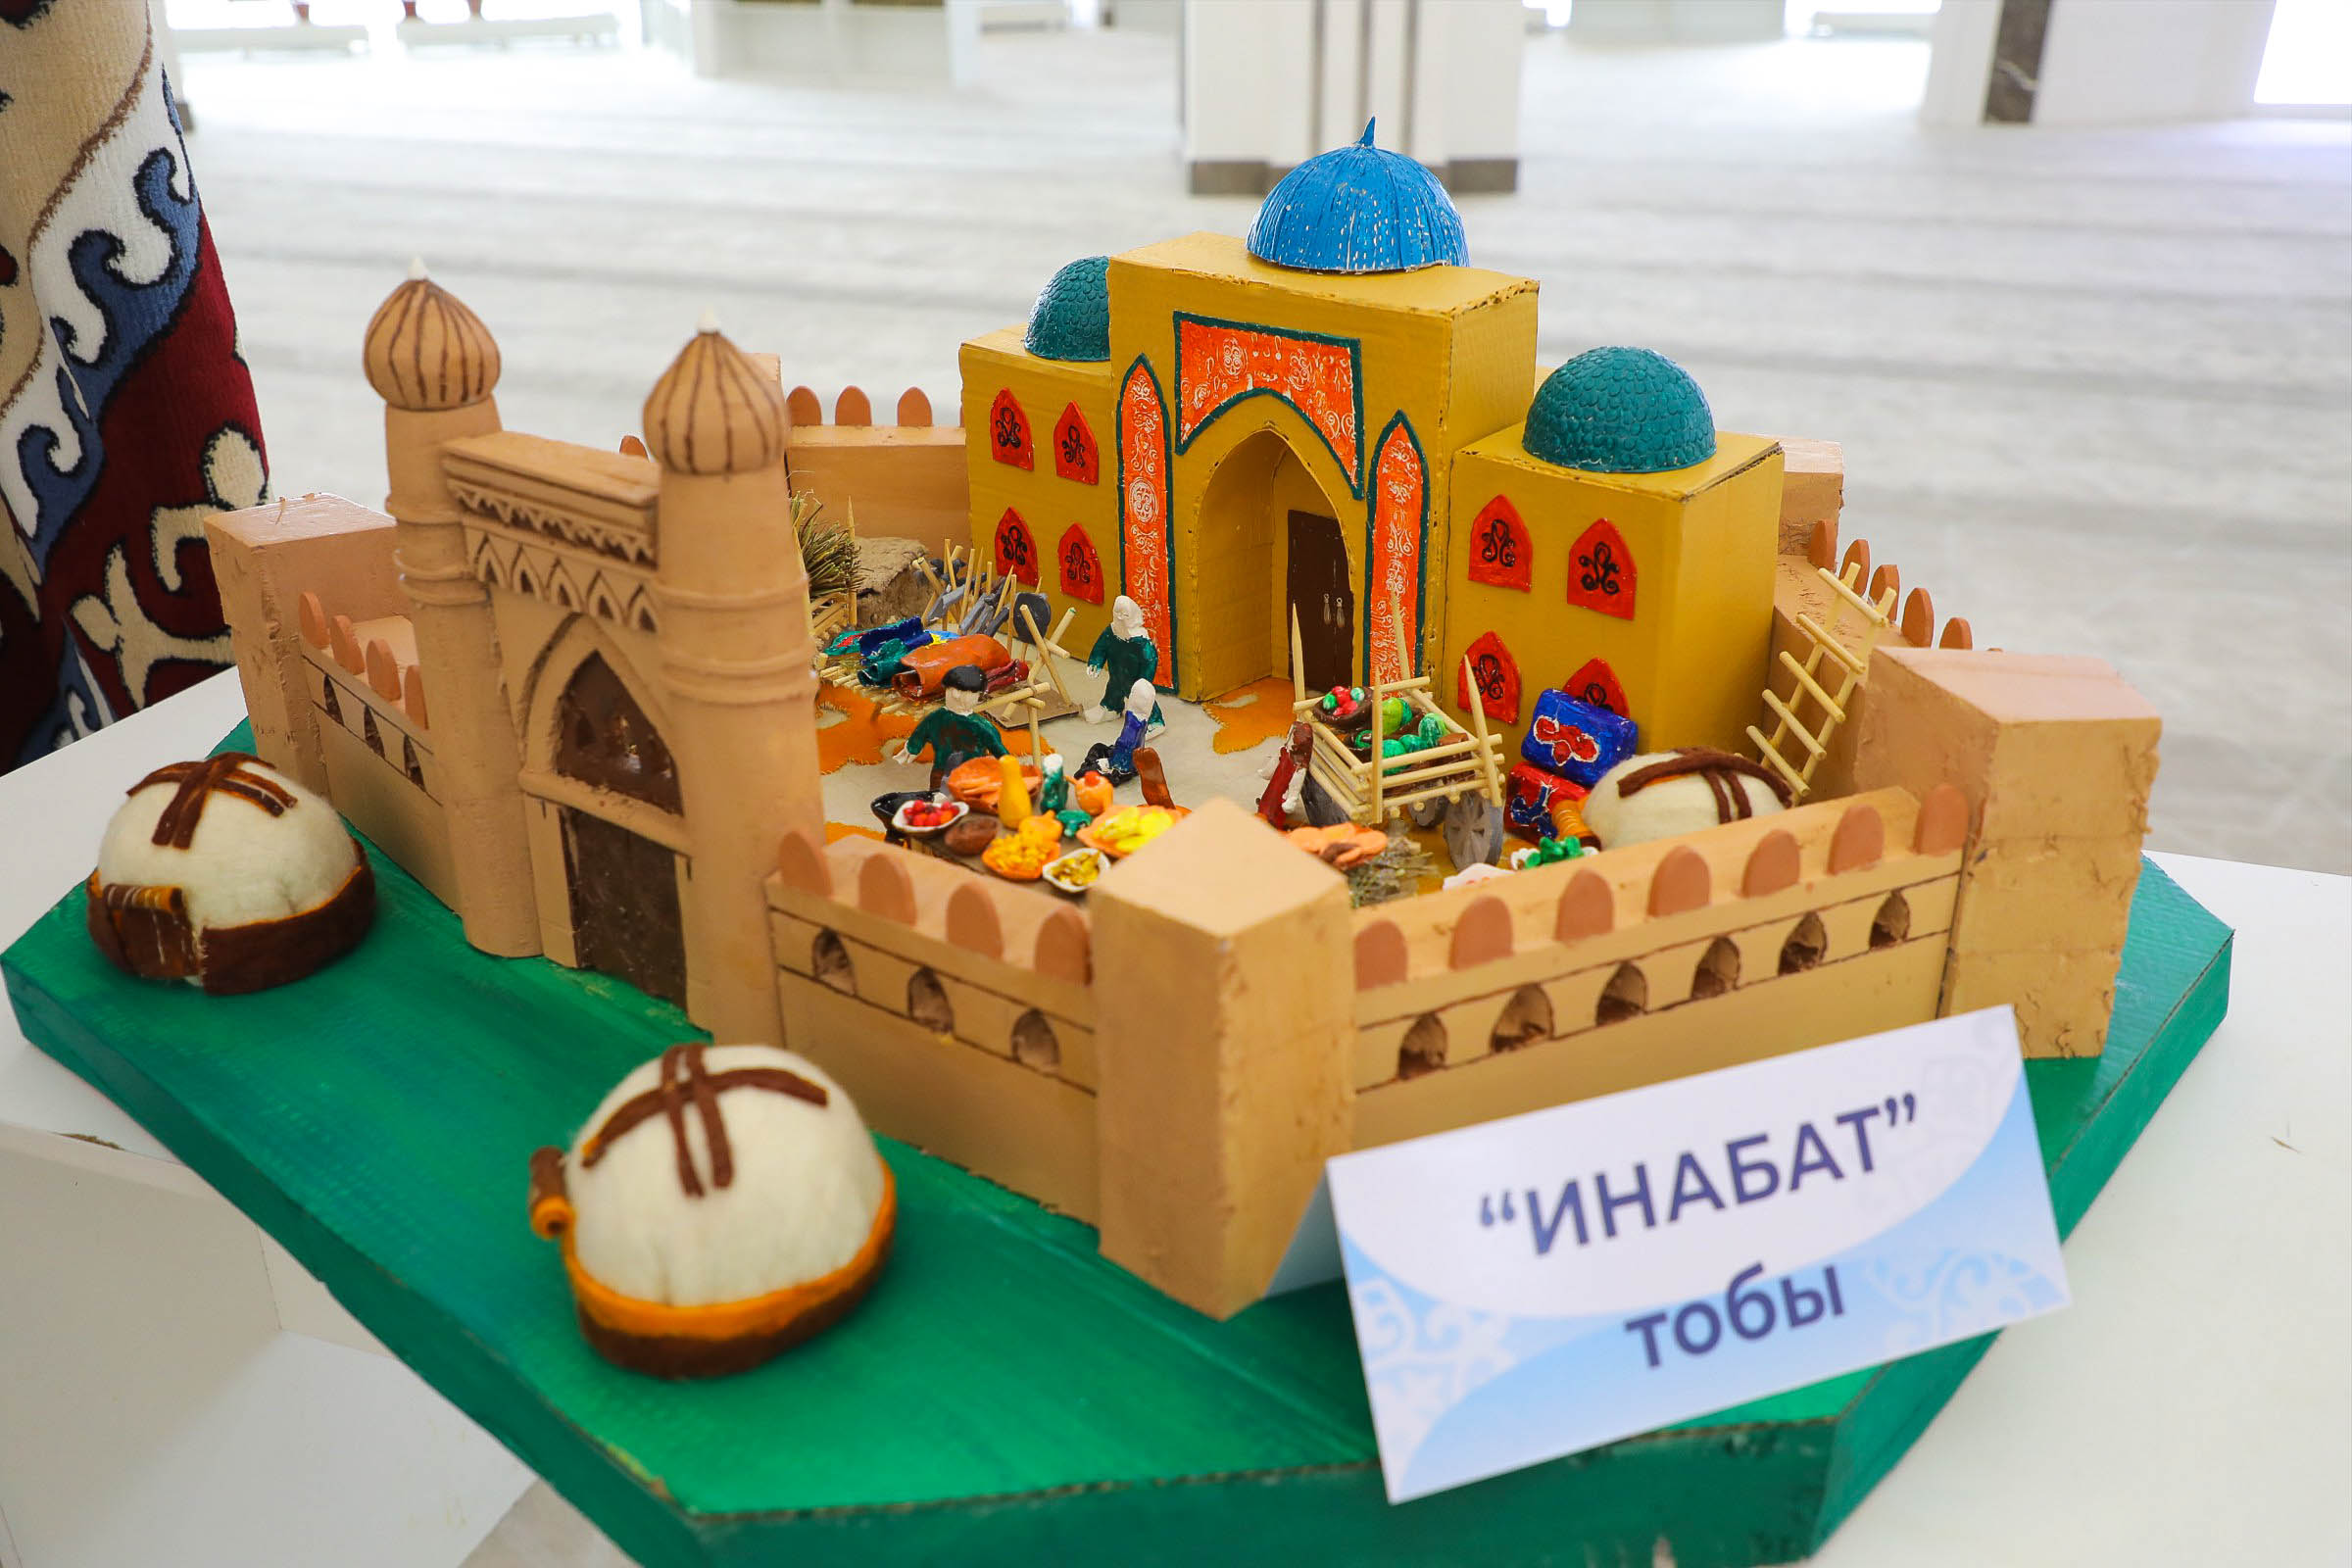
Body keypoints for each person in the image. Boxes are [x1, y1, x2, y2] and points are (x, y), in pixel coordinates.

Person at [903, 665, 1006, 790]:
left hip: (971, 773)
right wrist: (913, 747)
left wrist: (1009, 766)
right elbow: (922, 731)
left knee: (968, 795)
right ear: (954, 692)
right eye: (975, 694)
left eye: (976, 694)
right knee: (938, 793)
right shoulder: (938, 717)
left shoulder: (979, 725)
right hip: (942, 771)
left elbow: (998, 748)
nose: (977, 698)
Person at [1085, 596, 1163, 729]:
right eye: (1117, 613)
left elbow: (1150, 661)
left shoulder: (1141, 642)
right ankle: (1110, 707)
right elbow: (1101, 647)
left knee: (1141, 700)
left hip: (1134, 679)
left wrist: (1144, 683)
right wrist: (1095, 662)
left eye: (1125, 615)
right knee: (1113, 690)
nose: (1120, 617)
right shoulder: (1111, 631)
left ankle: (1154, 721)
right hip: (1116, 674)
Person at [1079, 679, 1156, 784]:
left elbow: (1125, 745)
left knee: (1089, 763)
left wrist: (1109, 763)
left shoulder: (1134, 723)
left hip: (1123, 765)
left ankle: (1093, 766)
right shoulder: (1143, 720)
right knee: (1099, 747)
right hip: (1133, 759)